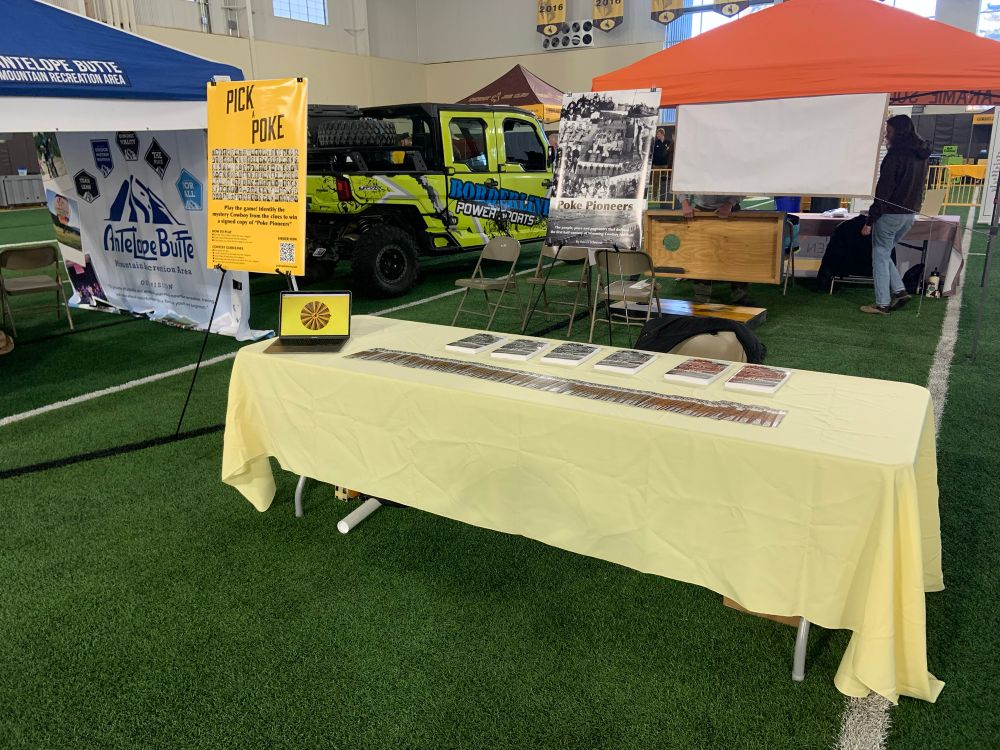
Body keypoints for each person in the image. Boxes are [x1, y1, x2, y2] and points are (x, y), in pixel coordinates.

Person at [860, 114, 932, 315]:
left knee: (880, 255)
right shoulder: (920, 155)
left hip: (890, 214)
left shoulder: (895, 156)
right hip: (909, 214)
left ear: (897, 133)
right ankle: (899, 290)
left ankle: (882, 303)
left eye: (888, 131)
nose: (886, 134)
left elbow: (884, 191)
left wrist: (870, 220)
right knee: (884, 252)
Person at [678, 193, 754, 305]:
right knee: (700, 252)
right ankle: (701, 295)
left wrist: (730, 204)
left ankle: (739, 295)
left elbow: (744, 185)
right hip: (701, 209)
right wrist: (685, 203)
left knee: (736, 252)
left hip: (731, 209)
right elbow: (679, 183)